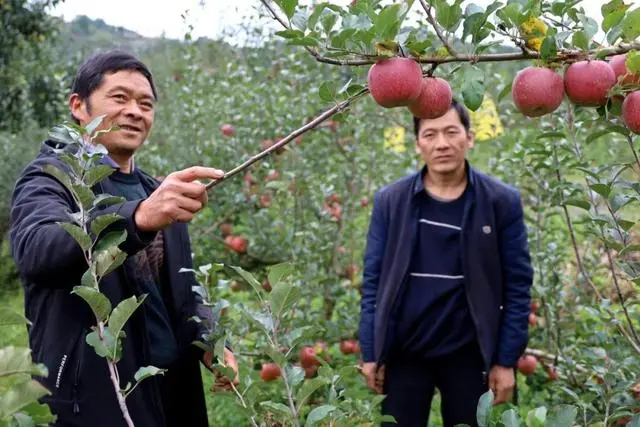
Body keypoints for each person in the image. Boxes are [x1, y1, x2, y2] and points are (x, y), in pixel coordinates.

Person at [9, 50, 238, 427]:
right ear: (78, 106)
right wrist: (138, 218)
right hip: (94, 399)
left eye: (145, 103)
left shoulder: (158, 191)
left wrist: (211, 340)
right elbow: (38, 250)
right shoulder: (51, 179)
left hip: (172, 396)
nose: (135, 110)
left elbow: (183, 291)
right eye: (120, 98)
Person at [358, 99, 534, 426]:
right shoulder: (391, 202)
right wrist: (371, 353)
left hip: (471, 355)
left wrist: (506, 361)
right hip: (405, 353)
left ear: (469, 137)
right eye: (430, 135)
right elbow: (373, 282)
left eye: (452, 132)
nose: (442, 143)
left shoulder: (500, 202)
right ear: (417, 144)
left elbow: (518, 287)